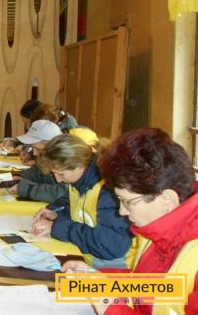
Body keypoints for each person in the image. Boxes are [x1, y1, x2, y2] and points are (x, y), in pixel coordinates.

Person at [63, 127, 198, 314]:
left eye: (128, 202)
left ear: (167, 199)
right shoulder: (155, 228)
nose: (122, 211)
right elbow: (155, 289)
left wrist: (110, 308)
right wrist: (97, 279)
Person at [32, 134, 133, 269]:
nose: (58, 180)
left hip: (113, 268)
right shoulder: (79, 181)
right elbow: (73, 203)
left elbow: (110, 245)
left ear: (79, 166)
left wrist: (57, 227)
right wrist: (55, 211)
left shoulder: (108, 191)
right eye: (54, 173)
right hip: (85, 255)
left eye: (61, 174)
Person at [5, 119, 68, 203]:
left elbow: (62, 193)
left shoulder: (68, 160)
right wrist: (21, 176)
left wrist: (25, 189)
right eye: (32, 148)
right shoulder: (48, 158)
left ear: (52, 145)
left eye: (37, 149)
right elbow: (38, 171)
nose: (34, 153)